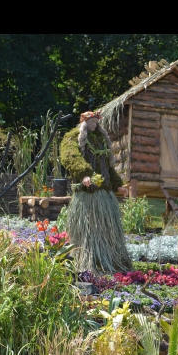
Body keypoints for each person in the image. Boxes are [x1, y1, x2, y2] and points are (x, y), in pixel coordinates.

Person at [60, 111, 132, 273]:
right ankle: (87, 260)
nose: (94, 125)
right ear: (84, 122)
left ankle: (111, 260)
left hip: (105, 194)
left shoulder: (101, 138)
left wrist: (116, 184)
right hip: (86, 194)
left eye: (96, 122)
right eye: (92, 122)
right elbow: (70, 156)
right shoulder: (72, 137)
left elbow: (108, 165)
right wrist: (84, 174)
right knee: (88, 228)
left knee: (109, 227)